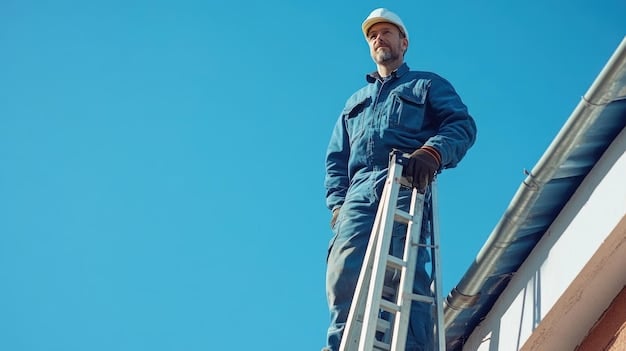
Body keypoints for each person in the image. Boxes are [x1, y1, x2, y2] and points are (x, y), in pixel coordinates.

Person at [322, 8, 477, 351]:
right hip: (359, 192)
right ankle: (341, 345)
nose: (379, 38)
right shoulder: (354, 103)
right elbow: (336, 160)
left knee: (402, 276)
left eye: (387, 32)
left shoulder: (426, 84)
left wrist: (432, 153)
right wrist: (338, 206)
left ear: (403, 42)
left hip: (406, 180)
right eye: (373, 35)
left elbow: (461, 125)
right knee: (344, 272)